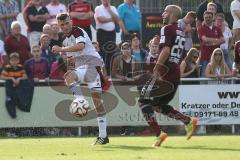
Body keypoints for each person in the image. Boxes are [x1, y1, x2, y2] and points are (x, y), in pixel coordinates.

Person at [137, 5, 198, 147]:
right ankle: (188, 121)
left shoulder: (167, 28)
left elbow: (165, 49)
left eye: (165, 12)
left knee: (143, 101)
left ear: (171, 14)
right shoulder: (181, 31)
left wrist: (157, 69)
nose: (162, 14)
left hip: (165, 73)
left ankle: (159, 134)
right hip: (174, 74)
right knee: (158, 105)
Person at [52, 13, 109, 145]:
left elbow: (81, 46)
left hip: (92, 65)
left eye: (67, 23)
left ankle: (103, 135)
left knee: (97, 102)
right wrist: (70, 69)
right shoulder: (65, 40)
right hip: (83, 68)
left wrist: (61, 49)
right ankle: (79, 99)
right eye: (62, 25)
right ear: (59, 26)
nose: (65, 26)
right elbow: (71, 59)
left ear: (71, 21)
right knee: (69, 75)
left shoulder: (78, 31)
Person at [1, 52, 28, 118]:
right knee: (9, 99)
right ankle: (12, 113)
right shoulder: (7, 67)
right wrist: (11, 78)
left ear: (18, 60)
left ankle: (20, 106)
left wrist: (19, 78)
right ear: (10, 61)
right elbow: (2, 77)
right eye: (12, 60)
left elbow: (25, 76)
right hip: (10, 86)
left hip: (18, 85)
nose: (14, 62)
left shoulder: (20, 67)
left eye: (16, 60)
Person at [197, 11, 224, 77]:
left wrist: (210, 42)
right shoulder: (201, 28)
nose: (207, 19)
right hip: (205, 56)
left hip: (217, 57)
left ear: (213, 18)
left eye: (209, 17)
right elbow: (204, 40)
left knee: (216, 75)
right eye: (206, 17)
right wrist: (217, 40)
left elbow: (223, 40)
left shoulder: (217, 29)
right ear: (203, 18)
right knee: (204, 75)